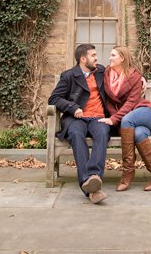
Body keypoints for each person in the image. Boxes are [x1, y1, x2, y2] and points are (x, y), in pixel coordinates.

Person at [48, 43, 111, 204]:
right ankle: (90, 184)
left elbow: (125, 72)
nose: (97, 58)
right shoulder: (69, 75)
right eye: (93, 56)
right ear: (83, 59)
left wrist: (142, 77)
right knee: (76, 134)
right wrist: (72, 107)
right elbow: (54, 98)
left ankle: (92, 178)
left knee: (103, 132)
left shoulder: (101, 71)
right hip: (76, 119)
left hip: (98, 118)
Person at [99, 45, 151, 191]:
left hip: (144, 112)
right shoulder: (107, 73)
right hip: (127, 118)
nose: (110, 58)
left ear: (122, 58)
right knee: (139, 134)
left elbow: (131, 103)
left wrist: (114, 119)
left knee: (127, 120)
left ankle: (127, 172)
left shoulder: (134, 76)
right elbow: (109, 101)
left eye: (113, 55)